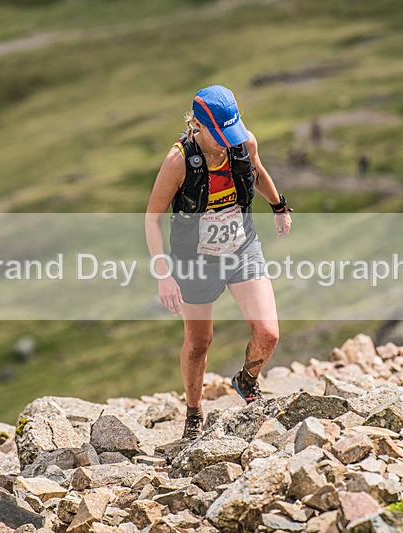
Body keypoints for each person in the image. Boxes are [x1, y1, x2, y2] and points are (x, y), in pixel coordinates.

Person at [145, 85, 292, 441]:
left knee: (268, 333)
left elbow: (256, 173)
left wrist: (278, 205)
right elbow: (152, 218)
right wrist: (164, 275)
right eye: (221, 134)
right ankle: (194, 413)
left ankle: (246, 380)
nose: (229, 141)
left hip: (243, 249)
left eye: (232, 132)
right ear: (198, 125)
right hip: (195, 261)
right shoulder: (178, 161)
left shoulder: (244, 143)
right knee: (199, 343)